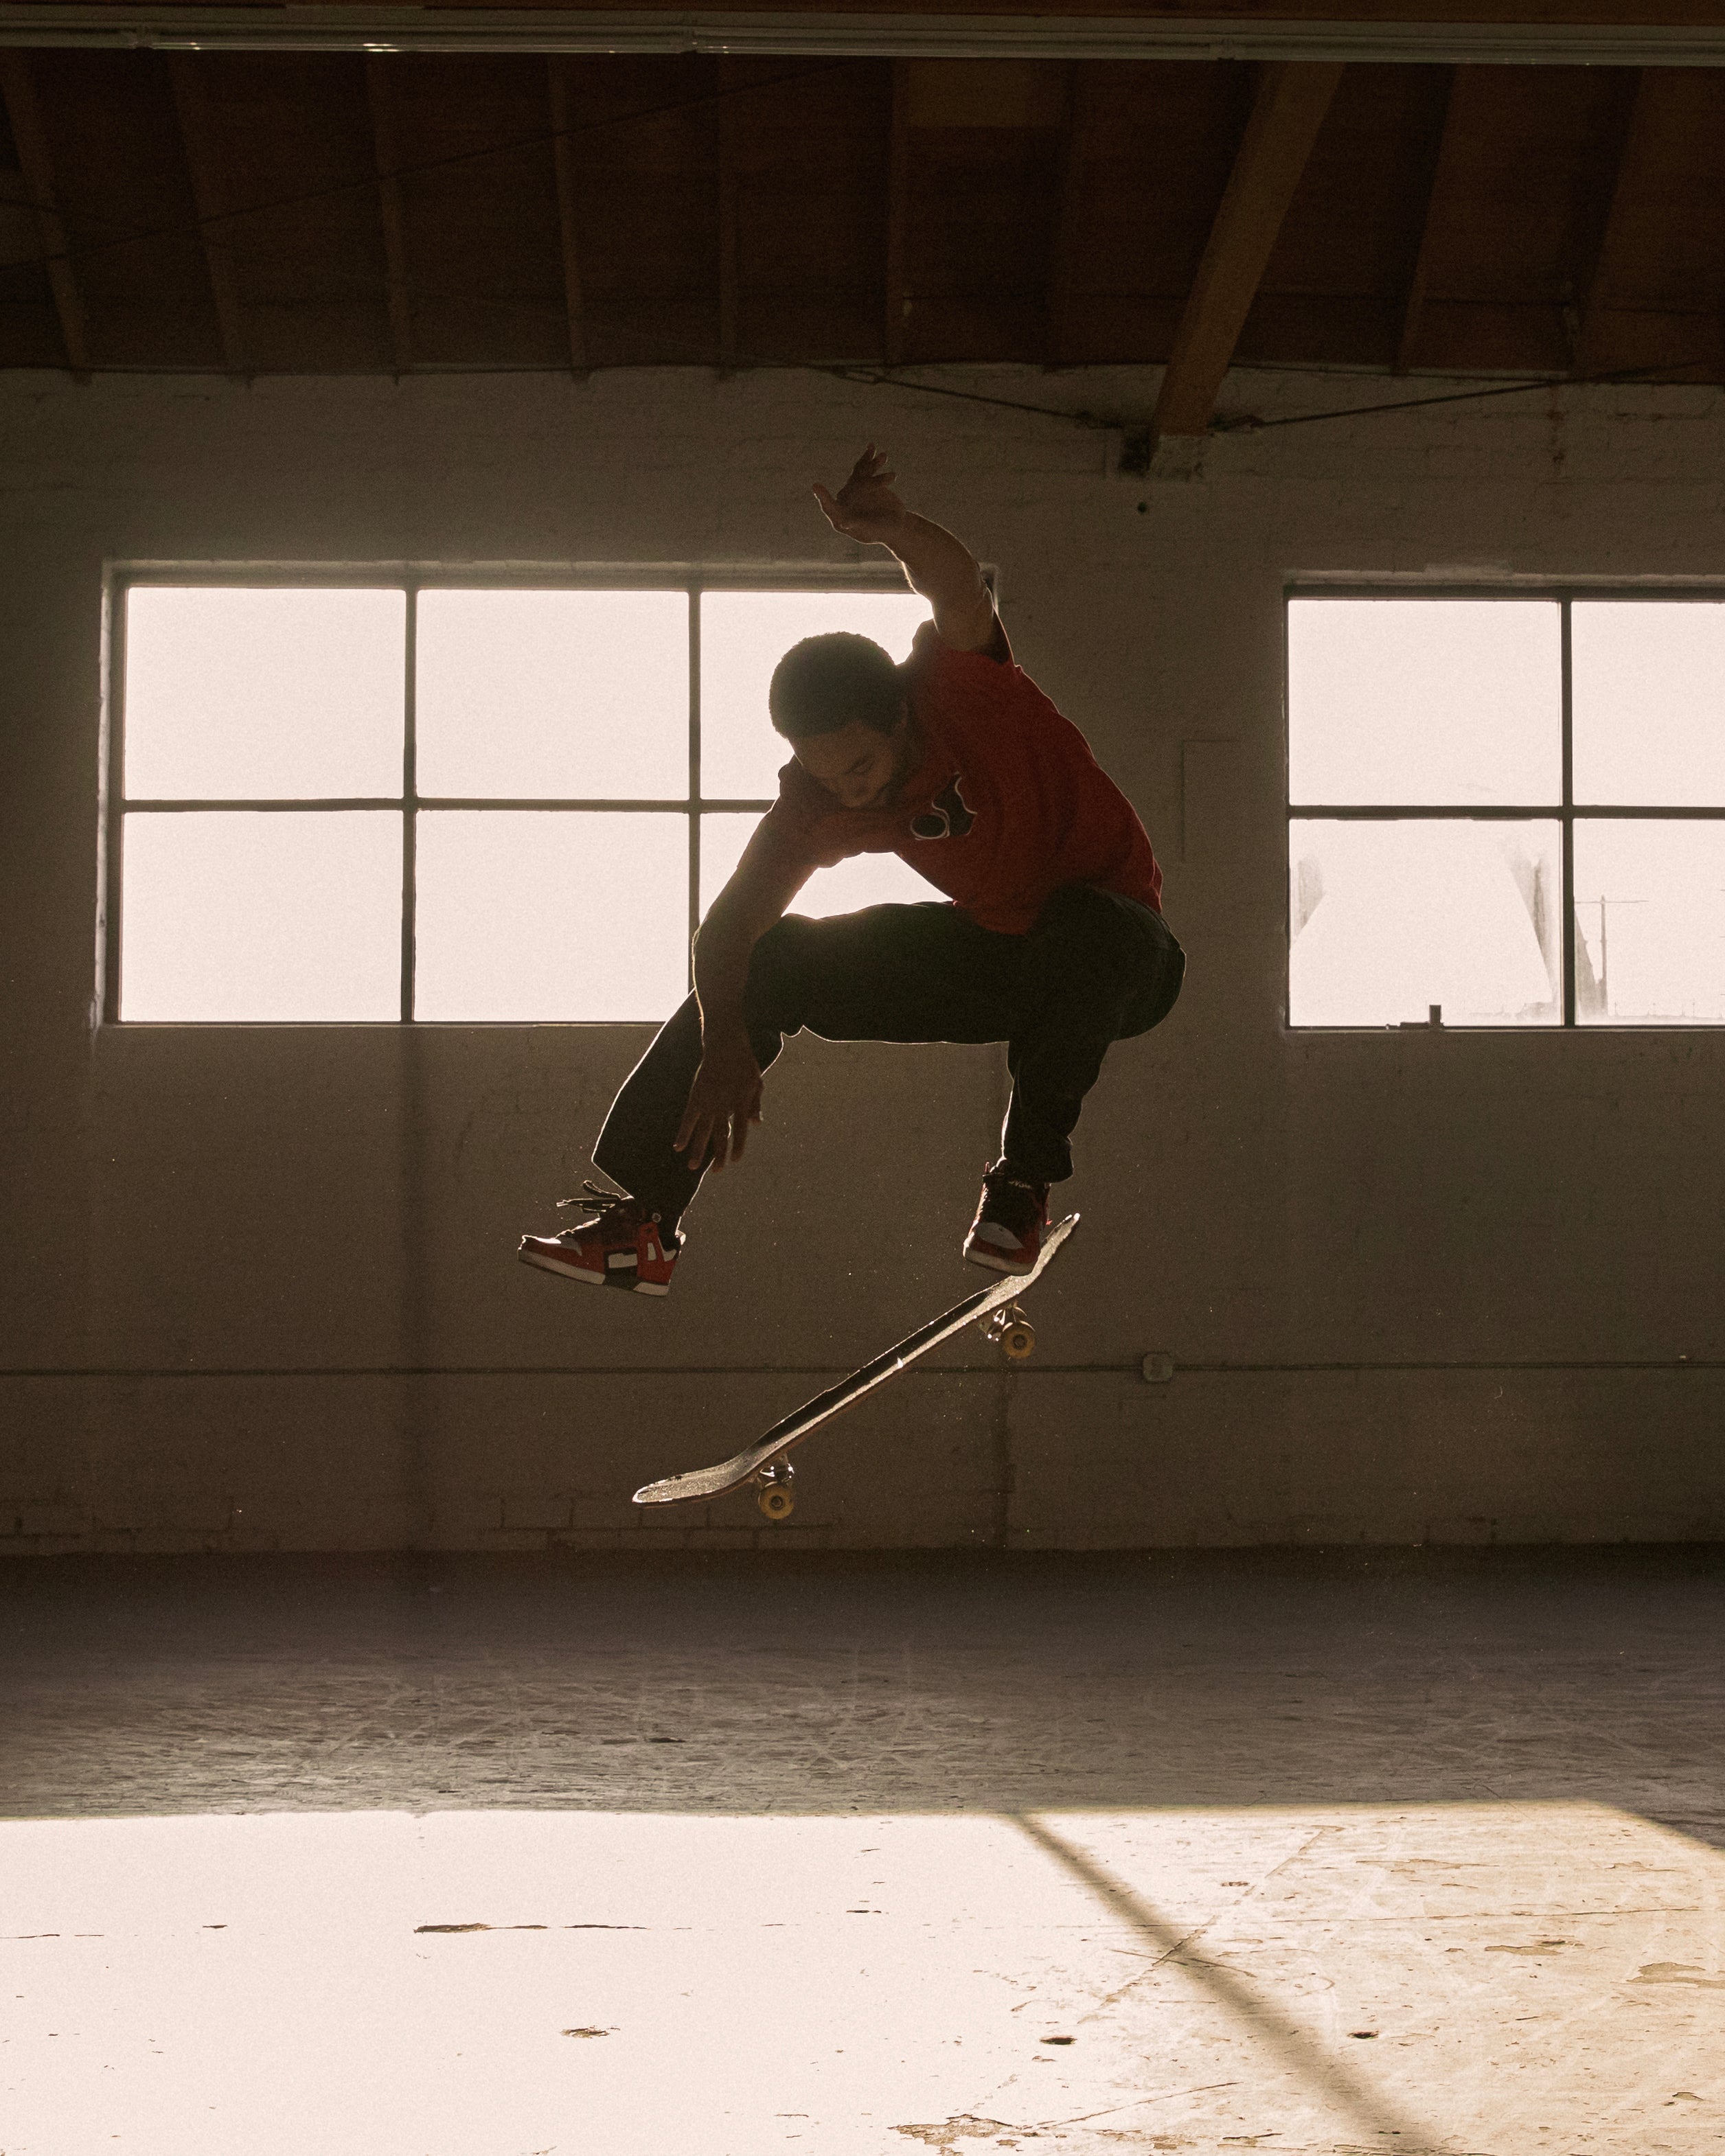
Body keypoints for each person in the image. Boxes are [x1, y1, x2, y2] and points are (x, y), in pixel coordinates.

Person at [518, 445, 1184, 1298]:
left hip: (1127, 956)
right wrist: (726, 1032)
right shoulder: (815, 799)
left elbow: (954, 586)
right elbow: (730, 923)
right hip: (998, 960)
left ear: (899, 712)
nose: (847, 787)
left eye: (860, 765)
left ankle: (1021, 1188)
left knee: (1084, 929)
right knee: (773, 959)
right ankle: (643, 1224)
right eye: (825, 771)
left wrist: (897, 530)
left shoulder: (961, 684)